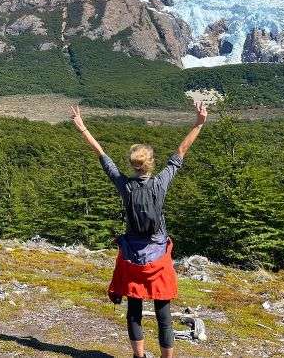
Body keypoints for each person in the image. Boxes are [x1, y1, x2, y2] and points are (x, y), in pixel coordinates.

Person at [70, 101, 208, 358]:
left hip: (132, 256)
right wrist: (198, 123)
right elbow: (180, 151)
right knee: (163, 315)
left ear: (133, 164)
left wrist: (83, 128)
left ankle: (138, 356)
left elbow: (103, 156)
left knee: (134, 311)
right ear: (151, 164)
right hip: (158, 257)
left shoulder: (125, 185)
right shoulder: (160, 183)